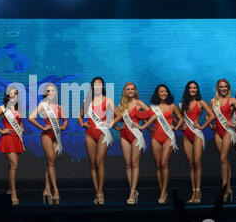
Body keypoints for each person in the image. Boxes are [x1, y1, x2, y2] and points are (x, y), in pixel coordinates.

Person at [78, 77, 121, 205]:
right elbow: (80, 116)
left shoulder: (107, 100)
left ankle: (101, 192)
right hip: (89, 134)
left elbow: (119, 115)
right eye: (95, 84)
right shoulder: (87, 101)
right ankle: (97, 192)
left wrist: (110, 122)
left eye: (99, 84)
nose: (97, 86)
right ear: (92, 87)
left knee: (99, 162)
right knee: (92, 163)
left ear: (102, 87)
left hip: (103, 133)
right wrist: (82, 124)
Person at [114, 82, 157, 204]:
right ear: (125, 91)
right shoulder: (121, 105)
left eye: (132, 89)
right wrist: (117, 128)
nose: (130, 91)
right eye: (128, 89)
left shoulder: (139, 103)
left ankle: (132, 192)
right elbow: (113, 120)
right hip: (124, 136)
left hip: (136, 135)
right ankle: (133, 190)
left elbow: (153, 115)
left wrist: (143, 127)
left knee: (134, 163)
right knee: (127, 164)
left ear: (135, 90)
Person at [29, 83, 68, 205]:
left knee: (50, 163)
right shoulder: (43, 105)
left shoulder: (60, 107)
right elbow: (31, 117)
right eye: (48, 91)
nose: (51, 93)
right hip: (46, 136)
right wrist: (42, 127)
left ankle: (46, 190)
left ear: (56, 93)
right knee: (51, 161)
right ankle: (55, 190)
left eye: (53, 91)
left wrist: (63, 126)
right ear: (46, 93)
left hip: (56, 136)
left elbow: (65, 120)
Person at [210, 78, 236, 202]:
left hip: (228, 132)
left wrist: (235, 124)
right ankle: (229, 188)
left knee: (222, 159)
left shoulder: (232, 100)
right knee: (224, 161)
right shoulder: (213, 101)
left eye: (225, 86)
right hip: (217, 133)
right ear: (218, 88)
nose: (223, 89)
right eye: (221, 87)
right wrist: (210, 124)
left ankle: (224, 189)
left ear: (228, 88)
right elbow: (209, 116)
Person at [0, 86, 24, 206]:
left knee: (14, 166)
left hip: (17, 139)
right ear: (7, 95)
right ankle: (13, 193)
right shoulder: (3, 108)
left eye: (15, 94)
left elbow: (20, 124)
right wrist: (1, 130)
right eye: (11, 94)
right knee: (14, 164)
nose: (13, 96)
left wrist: (22, 129)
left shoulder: (19, 109)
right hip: (8, 138)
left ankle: (10, 188)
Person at [180, 81, 214, 203]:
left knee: (197, 162)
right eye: (190, 88)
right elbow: (177, 119)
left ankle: (198, 191)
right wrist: (180, 126)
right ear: (187, 90)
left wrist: (202, 126)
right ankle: (193, 192)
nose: (192, 90)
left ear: (197, 90)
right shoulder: (183, 104)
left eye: (194, 88)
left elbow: (212, 116)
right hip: (186, 135)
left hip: (197, 135)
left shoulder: (201, 103)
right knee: (191, 164)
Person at [149, 84, 183, 204]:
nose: (163, 93)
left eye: (165, 91)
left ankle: (163, 192)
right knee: (158, 164)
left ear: (168, 93)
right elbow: (145, 120)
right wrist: (149, 128)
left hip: (168, 136)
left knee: (164, 163)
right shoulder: (153, 107)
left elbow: (181, 119)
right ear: (157, 94)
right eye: (161, 92)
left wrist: (176, 127)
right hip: (155, 137)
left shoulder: (172, 106)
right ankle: (162, 190)